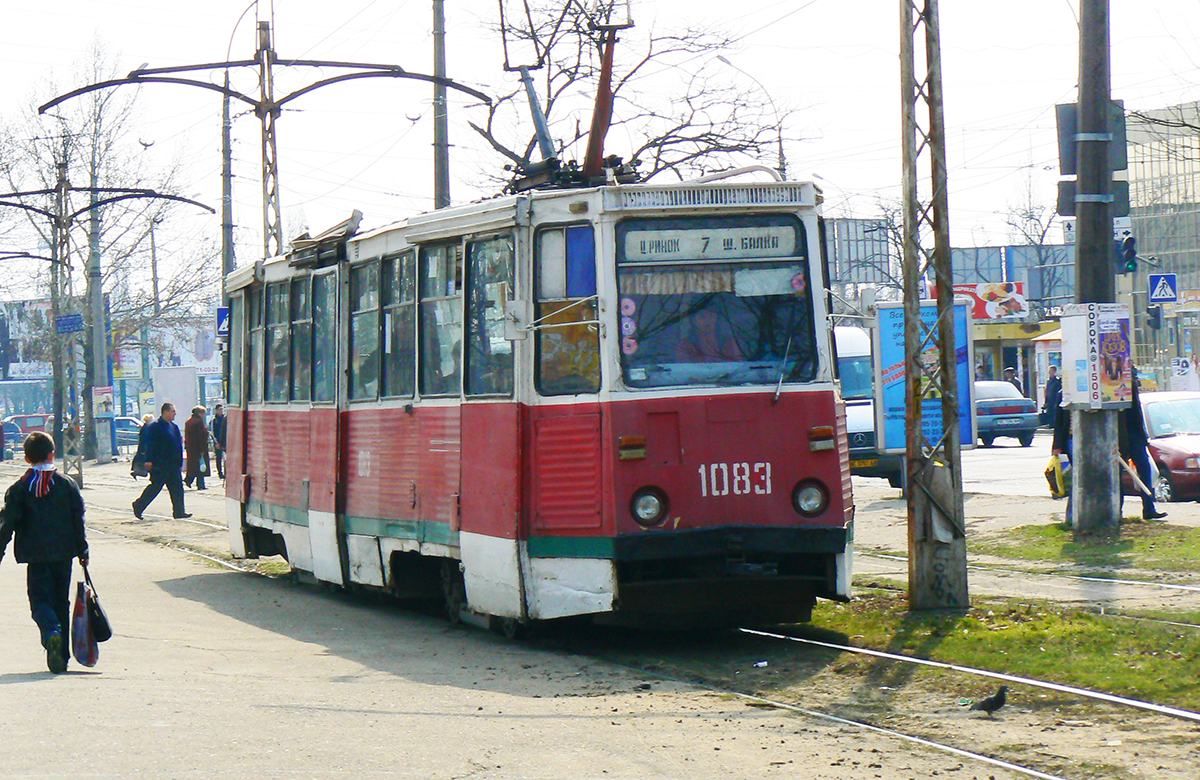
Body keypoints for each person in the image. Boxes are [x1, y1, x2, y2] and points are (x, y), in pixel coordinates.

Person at [0, 431, 89, 673]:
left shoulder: (20, 488)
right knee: (61, 601)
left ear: (27, 458)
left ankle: (51, 632)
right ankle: (61, 657)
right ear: (52, 454)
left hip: (36, 557)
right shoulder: (67, 485)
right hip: (64, 554)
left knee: (40, 601)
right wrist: (83, 549)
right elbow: (77, 519)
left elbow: (6, 524)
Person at [1119, 370, 1167, 521]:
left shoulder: (1131, 387)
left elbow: (1137, 415)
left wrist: (1143, 437)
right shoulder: (1116, 387)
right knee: (1117, 475)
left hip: (1135, 436)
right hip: (1121, 436)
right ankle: (1117, 511)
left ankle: (1149, 508)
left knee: (1145, 471)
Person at [132, 402, 191, 520]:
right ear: (166, 412)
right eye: (173, 411)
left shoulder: (173, 427)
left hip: (173, 464)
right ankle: (139, 505)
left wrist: (180, 461)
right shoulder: (155, 426)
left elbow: (178, 444)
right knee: (155, 487)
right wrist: (148, 460)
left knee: (177, 488)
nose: (175, 414)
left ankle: (179, 511)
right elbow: (150, 444)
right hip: (160, 464)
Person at [183, 406, 209, 491]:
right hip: (198, 448)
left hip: (191, 448)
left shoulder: (189, 421)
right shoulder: (198, 422)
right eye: (203, 413)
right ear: (199, 413)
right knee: (200, 466)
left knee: (193, 466)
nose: (204, 415)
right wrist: (202, 449)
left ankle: (190, 480)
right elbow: (200, 436)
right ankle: (199, 484)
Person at [130, 413, 155, 479]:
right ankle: (137, 472)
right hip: (144, 449)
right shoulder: (147, 428)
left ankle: (137, 472)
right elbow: (145, 440)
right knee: (146, 467)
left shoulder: (145, 427)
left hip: (143, 449)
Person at [210, 404, 227, 481]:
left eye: (222, 409)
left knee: (226, 458)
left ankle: (226, 472)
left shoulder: (225, 419)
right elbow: (212, 432)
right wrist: (216, 442)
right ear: (216, 410)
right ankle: (220, 473)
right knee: (219, 458)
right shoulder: (214, 421)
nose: (221, 411)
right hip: (217, 442)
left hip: (225, 442)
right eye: (219, 409)